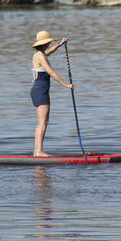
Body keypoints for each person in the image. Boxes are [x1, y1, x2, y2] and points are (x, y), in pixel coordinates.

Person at [30, 29, 72, 157]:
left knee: (43, 122)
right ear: (45, 43)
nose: (49, 45)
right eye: (48, 42)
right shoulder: (40, 56)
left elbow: (49, 52)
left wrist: (59, 45)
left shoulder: (40, 54)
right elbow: (52, 73)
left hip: (40, 89)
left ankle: (37, 151)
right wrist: (66, 85)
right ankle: (39, 151)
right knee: (43, 122)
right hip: (40, 89)